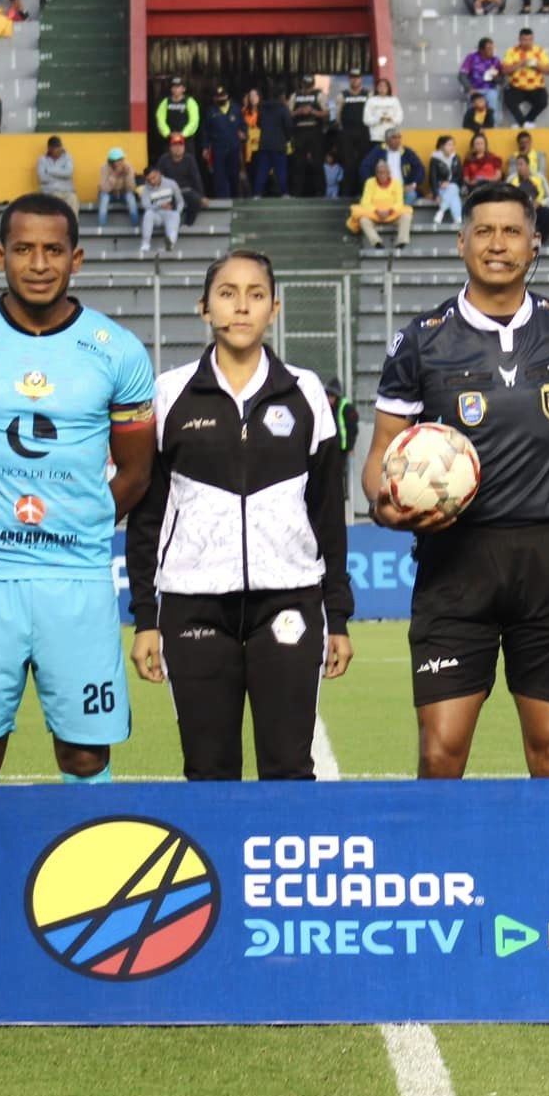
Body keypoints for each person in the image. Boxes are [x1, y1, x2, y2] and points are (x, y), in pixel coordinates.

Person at [366, 181, 549, 777]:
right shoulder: (421, 340)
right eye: (483, 231)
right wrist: (387, 507)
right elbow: (381, 459)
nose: (497, 244)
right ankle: (444, 871)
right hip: (456, 562)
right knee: (440, 754)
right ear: (462, 242)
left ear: (534, 244)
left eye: (512, 231)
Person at [0, 195, 155, 785]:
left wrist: (86, 524)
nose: (39, 264)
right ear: (1, 255)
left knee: (85, 753)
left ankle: (88, 877)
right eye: (24, 249)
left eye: (53, 250)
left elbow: (135, 473)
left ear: (77, 258)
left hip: (77, 578)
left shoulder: (117, 349)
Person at [127, 251, 353, 779]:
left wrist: (337, 617)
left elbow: (327, 514)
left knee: (289, 768)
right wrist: (144, 618)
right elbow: (147, 517)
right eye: (227, 293)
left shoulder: (305, 392)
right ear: (204, 307)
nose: (241, 306)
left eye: (255, 294)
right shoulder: (169, 393)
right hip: (194, 606)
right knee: (208, 770)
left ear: (274, 307)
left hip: (289, 602)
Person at [349, 160, 413, 251]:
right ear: (376, 173)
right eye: (379, 172)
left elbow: (399, 202)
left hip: (392, 215)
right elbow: (365, 202)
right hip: (374, 215)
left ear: (388, 173)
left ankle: (401, 242)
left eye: (384, 172)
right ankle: (377, 243)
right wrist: (377, 210)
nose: (381, 175)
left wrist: (390, 210)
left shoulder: (397, 183)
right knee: (363, 219)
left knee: (407, 215)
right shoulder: (370, 182)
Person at [500, 28, 549, 127]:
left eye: (530, 40)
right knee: (508, 99)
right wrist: (520, 63)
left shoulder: (539, 51)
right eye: (524, 40)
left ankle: (527, 121)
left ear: (533, 39)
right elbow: (505, 71)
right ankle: (523, 123)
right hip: (517, 87)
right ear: (519, 39)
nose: (527, 42)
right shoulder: (511, 51)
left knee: (543, 101)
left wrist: (537, 65)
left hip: (536, 87)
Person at [156, 133, 206, 227]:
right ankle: (173, 224)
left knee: (196, 200)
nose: (178, 148)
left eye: (180, 145)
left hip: (186, 190)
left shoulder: (190, 159)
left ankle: (188, 223)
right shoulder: (164, 159)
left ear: (184, 147)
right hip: (170, 192)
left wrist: (202, 196)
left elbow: (196, 178)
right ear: (170, 147)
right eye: (175, 145)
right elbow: (158, 179)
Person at [139, 167, 184, 254]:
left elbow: (180, 201)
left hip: (170, 214)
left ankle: (170, 243)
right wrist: (159, 205)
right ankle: (146, 244)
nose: (152, 181)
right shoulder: (146, 188)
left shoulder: (171, 183)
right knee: (148, 214)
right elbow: (145, 205)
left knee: (175, 217)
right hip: (157, 215)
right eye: (149, 180)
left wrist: (178, 212)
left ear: (159, 174)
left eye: (154, 178)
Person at [95, 146, 140, 231]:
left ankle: (135, 226)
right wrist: (114, 175)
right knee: (104, 197)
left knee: (131, 197)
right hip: (110, 194)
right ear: (112, 162)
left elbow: (131, 188)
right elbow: (104, 188)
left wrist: (127, 176)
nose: (121, 162)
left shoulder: (128, 167)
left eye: (122, 159)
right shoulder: (104, 168)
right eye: (119, 160)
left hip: (123, 193)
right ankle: (101, 227)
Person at [429, 136, 465, 226]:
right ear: (441, 146)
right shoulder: (435, 159)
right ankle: (458, 219)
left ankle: (441, 211)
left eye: (453, 145)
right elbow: (432, 177)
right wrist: (436, 194)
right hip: (441, 188)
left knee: (453, 187)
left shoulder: (456, 158)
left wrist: (449, 182)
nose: (452, 147)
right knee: (454, 196)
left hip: (454, 186)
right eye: (449, 145)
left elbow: (459, 176)